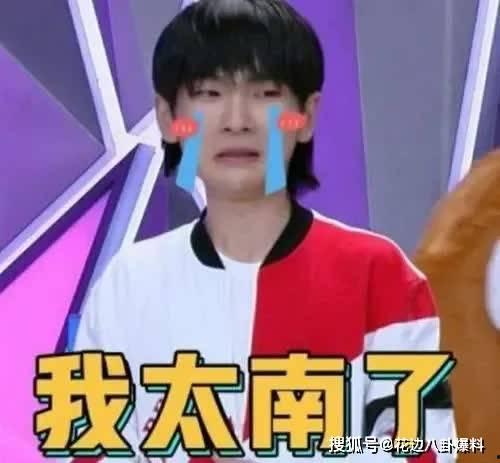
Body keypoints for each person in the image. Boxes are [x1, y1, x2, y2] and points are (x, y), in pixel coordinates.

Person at [73, 0, 456, 461]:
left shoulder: (380, 276)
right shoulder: (129, 283)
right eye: (209, 93)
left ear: (307, 115)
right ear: (168, 118)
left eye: (265, 93)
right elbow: (93, 448)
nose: (237, 121)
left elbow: (425, 447)